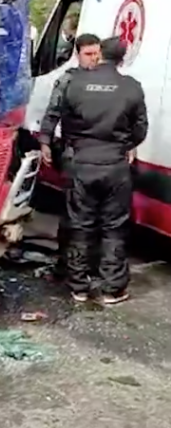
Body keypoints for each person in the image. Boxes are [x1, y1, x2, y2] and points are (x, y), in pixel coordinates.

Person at [41, 36, 148, 305]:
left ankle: (78, 286)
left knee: (79, 225)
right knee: (114, 227)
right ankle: (112, 288)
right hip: (115, 166)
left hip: (81, 163)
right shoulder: (131, 88)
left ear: (100, 55)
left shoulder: (73, 84)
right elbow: (140, 129)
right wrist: (124, 144)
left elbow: (60, 118)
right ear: (122, 58)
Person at [40, 33, 102, 277]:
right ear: (78, 54)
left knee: (96, 213)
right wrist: (45, 142)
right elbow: (52, 112)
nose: (94, 58)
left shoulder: (107, 81)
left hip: (99, 157)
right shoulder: (67, 81)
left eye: (97, 53)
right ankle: (66, 262)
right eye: (89, 54)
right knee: (71, 213)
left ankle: (91, 263)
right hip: (73, 155)